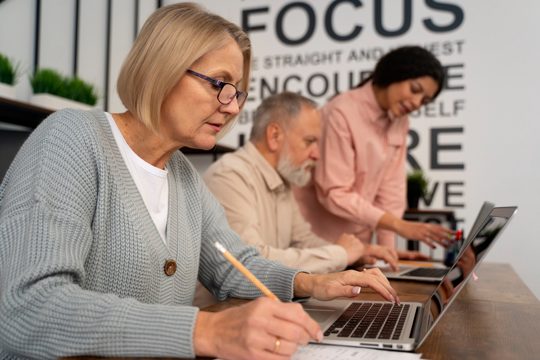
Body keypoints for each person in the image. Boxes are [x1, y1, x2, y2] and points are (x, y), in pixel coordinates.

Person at [0, 4, 399, 360]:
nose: (231, 106)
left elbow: (234, 265)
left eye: (239, 92)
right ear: (163, 67)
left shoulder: (184, 176)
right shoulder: (72, 137)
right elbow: (27, 306)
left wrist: (312, 282)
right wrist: (204, 330)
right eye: (218, 83)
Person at [203, 92, 399, 275]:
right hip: (223, 309)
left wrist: (356, 253)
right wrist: (340, 254)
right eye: (309, 141)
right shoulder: (229, 175)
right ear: (274, 136)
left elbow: (303, 241)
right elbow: (250, 262)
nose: (317, 154)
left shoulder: (283, 179)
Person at [294, 45, 454, 256]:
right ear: (396, 73)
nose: (416, 103)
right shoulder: (341, 112)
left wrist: (389, 256)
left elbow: (391, 194)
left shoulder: (400, 121)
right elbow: (334, 193)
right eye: (415, 89)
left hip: (360, 247)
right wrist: (398, 226)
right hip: (319, 245)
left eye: (424, 101)